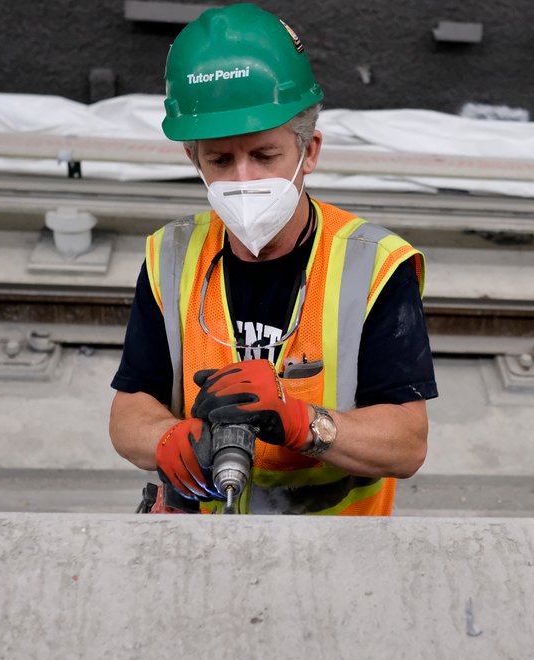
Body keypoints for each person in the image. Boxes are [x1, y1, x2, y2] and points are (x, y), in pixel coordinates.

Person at [109, 3, 437, 515]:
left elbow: (407, 443)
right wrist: (166, 439)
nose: (243, 179)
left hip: (337, 547)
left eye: (265, 156)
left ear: (309, 151)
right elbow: (130, 408)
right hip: (206, 538)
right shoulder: (169, 256)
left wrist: (303, 422)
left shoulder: (373, 266)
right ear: (192, 159)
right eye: (219, 159)